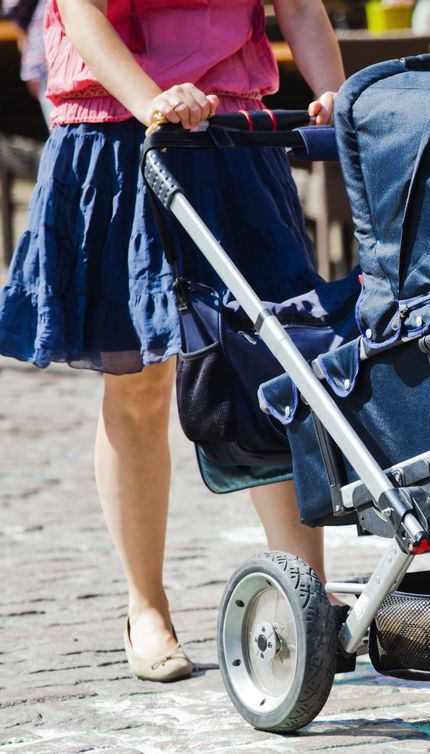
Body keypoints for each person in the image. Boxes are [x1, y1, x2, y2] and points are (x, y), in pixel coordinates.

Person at [0, 0, 344, 682]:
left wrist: (336, 91)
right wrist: (154, 99)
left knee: (274, 365)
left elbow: (301, 6)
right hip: (117, 134)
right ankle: (146, 606)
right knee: (139, 382)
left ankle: (304, 596)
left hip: (233, 133)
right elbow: (81, 12)